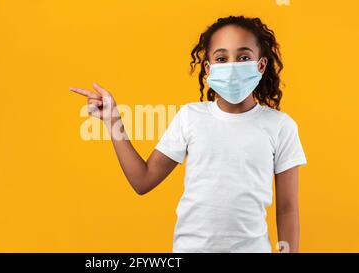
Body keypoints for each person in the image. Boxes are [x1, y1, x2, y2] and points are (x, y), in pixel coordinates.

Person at [70, 15, 307, 253]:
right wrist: (113, 121)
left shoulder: (280, 126)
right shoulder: (190, 117)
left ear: (261, 65)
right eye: (222, 58)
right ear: (208, 68)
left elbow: (287, 208)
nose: (232, 66)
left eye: (243, 57)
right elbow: (142, 180)